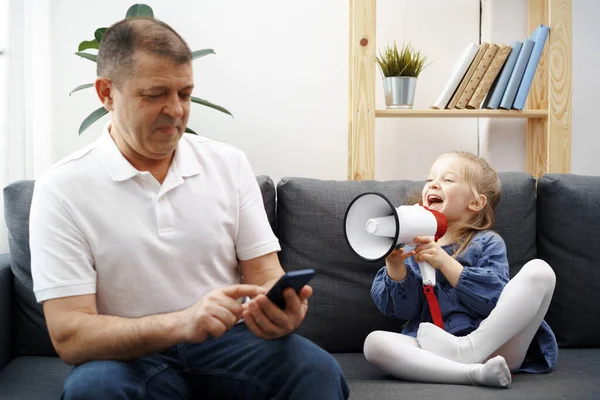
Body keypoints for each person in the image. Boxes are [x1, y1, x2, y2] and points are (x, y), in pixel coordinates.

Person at [29, 17, 349, 399]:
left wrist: (282, 312)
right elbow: (70, 335)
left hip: (229, 343)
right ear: (106, 93)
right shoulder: (62, 188)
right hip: (125, 356)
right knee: (96, 389)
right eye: (155, 94)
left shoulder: (228, 164)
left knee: (315, 370)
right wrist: (182, 322)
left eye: (184, 93)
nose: (176, 110)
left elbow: (265, 273)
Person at [363, 151, 558, 388]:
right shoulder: (413, 246)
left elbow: (495, 301)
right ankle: (473, 374)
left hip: (496, 346)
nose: (433, 183)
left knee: (540, 271)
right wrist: (395, 266)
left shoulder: (487, 243)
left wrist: (445, 263)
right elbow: (405, 311)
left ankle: (469, 349)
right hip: (437, 350)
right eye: (430, 179)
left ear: (475, 202)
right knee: (374, 343)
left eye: (448, 179)